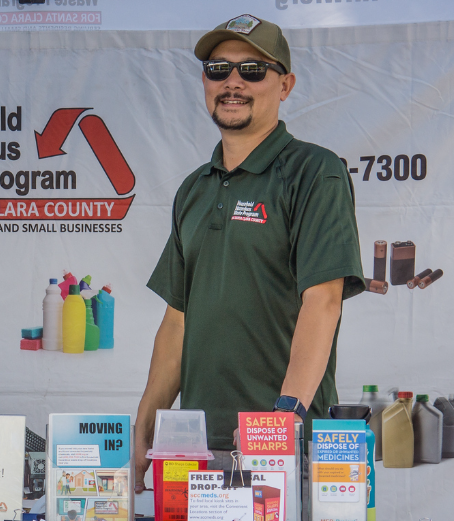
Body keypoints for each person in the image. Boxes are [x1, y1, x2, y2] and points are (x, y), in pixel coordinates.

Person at [135, 14, 364, 491]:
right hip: (195, 450)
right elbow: (177, 321)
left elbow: (323, 301)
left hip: (282, 444)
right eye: (218, 69)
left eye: (252, 70)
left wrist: (288, 415)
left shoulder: (312, 172)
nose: (233, 82)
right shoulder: (192, 190)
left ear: (285, 84)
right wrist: (146, 426)